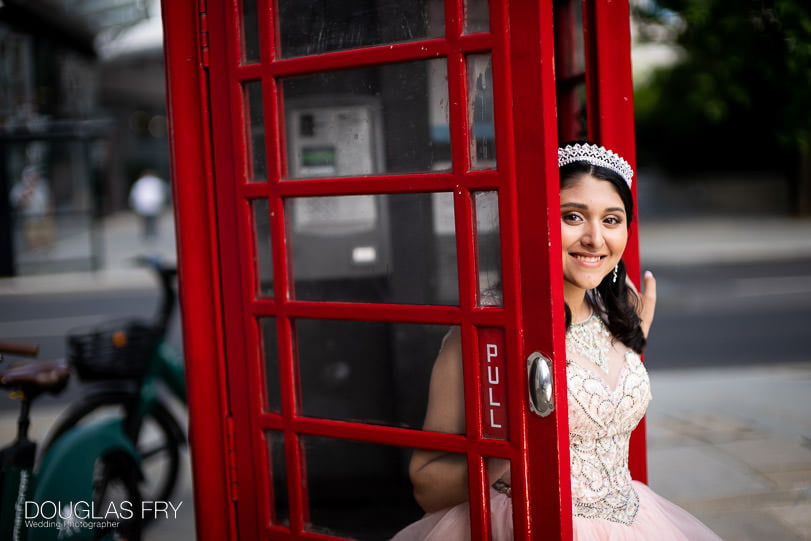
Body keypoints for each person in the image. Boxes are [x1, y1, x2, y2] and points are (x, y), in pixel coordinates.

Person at [392, 143, 721, 540]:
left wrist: (633, 343)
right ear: (540, 219)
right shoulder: (486, 332)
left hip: (635, 519)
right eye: (573, 216)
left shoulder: (616, 314)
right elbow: (427, 485)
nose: (595, 238)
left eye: (612, 219)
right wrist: (513, 441)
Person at [10, 165, 53, 251]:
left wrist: (48, 212)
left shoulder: (41, 185)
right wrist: (25, 196)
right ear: (26, 177)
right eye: (32, 175)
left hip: (43, 217)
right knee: (33, 240)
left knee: (47, 240)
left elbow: (47, 200)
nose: (35, 177)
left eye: (35, 175)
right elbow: (17, 202)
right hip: (30, 219)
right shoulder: (19, 188)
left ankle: (46, 252)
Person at [129, 170, 168, 240]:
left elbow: (134, 194)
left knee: (145, 221)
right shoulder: (157, 181)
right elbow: (162, 191)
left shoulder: (139, 182)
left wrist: (133, 203)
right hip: (154, 202)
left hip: (143, 203)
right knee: (153, 220)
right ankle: (153, 233)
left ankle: (146, 234)